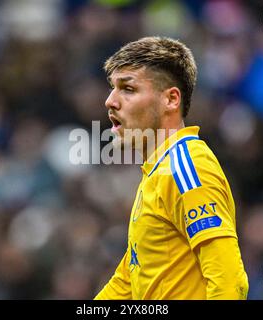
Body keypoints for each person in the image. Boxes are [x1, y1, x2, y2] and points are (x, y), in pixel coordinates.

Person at [95, 36, 249, 300]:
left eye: (128, 89)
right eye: (113, 88)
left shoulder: (187, 168)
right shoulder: (157, 172)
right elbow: (127, 284)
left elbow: (230, 283)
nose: (110, 101)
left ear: (171, 99)